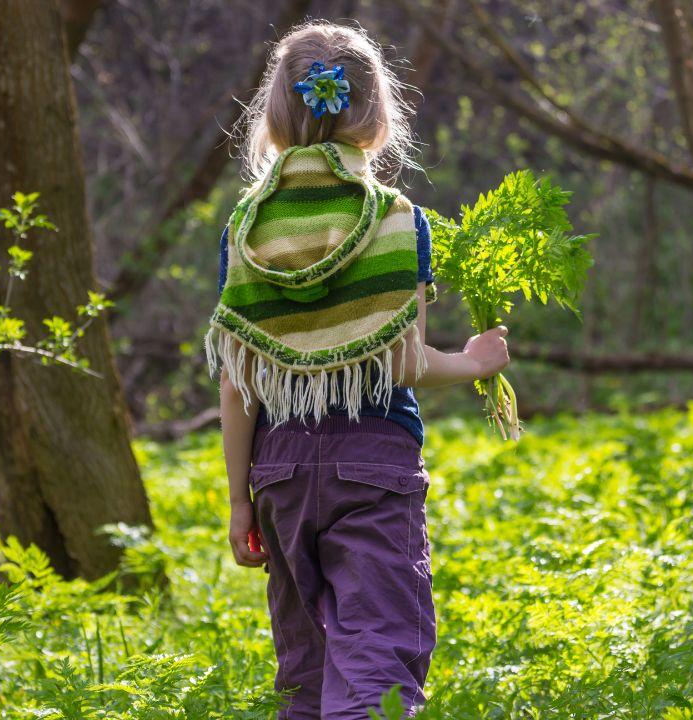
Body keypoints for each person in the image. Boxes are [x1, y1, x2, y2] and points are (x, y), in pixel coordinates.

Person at [206, 20, 510, 719]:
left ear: (276, 119)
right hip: (372, 464)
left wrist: (239, 501)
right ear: (376, 118)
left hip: (278, 470)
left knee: (306, 669)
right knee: (378, 657)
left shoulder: (247, 232)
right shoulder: (395, 220)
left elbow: (236, 384)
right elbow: (402, 362)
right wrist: (473, 361)